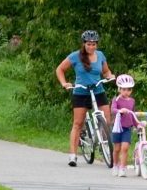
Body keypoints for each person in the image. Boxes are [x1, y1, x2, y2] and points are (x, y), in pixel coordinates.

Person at [55, 29, 112, 167]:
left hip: (98, 90)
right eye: (88, 44)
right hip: (81, 92)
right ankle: (73, 155)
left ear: (97, 44)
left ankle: (104, 143)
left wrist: (110, 76)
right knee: (78, 123)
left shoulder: (100, 55)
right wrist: (64, 83)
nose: (91, 47)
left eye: (93, 44)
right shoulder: (75, 56)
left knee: (107, 119)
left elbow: (106, 71)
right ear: (84, 44)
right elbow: (60, 69)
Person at [107, 73, 138, 176]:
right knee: (117, 149)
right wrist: (120, 110)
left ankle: (122, 168)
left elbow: (133, 114)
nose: (126, 92)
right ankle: (115, 165)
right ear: (119, 89)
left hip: (127, 128)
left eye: (129, 89)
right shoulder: (116, 100)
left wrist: (137, 124)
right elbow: (113, 110)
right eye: (124, 89)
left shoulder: (132, 101)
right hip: (117, 128)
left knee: (125, 148)